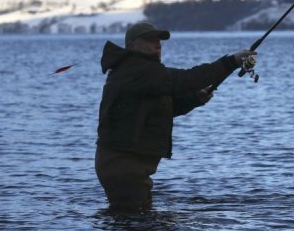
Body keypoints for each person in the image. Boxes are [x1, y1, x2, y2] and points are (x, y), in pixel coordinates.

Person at [95, 21, 255, 211]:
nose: (157, 45)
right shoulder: (138, 70)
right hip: (123, 166)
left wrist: (194, 99)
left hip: (124, 164)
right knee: (135, 221)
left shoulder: (138, 71)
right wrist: (231, 62)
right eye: (149, 40)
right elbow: (186, 79)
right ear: (131, 46)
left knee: (134, 221)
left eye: (159, 41)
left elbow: (159, 110)